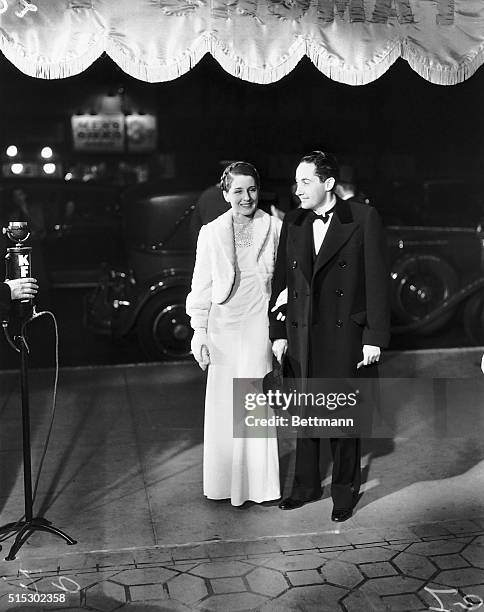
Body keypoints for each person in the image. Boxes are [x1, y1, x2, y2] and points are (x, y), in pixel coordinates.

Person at [269, 151, 390, 522]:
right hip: (302, 332)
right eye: (296, 181)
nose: (297, 189)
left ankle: (343, 492)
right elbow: (281, 281)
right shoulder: (294, 220)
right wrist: (278, 331)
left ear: (329, 184)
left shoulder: (363, 218)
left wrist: (374, 337)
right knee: (305, 416)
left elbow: (377, 283)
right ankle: (305, 487)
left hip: (345, 334)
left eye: (305, 181)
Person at [186, 161, 281, 506]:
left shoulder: (274, 226)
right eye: (238, 190)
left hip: (259, 322)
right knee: (226, 404)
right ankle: (224, 485)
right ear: (225, 194)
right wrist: (198, 331)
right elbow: (201, 285)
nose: (246, 197)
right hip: (222, 326)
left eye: (252, 189)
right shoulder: (210, 232)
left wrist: (282, 327)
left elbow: (284, 283)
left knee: (254, 399)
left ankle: (258, 487)